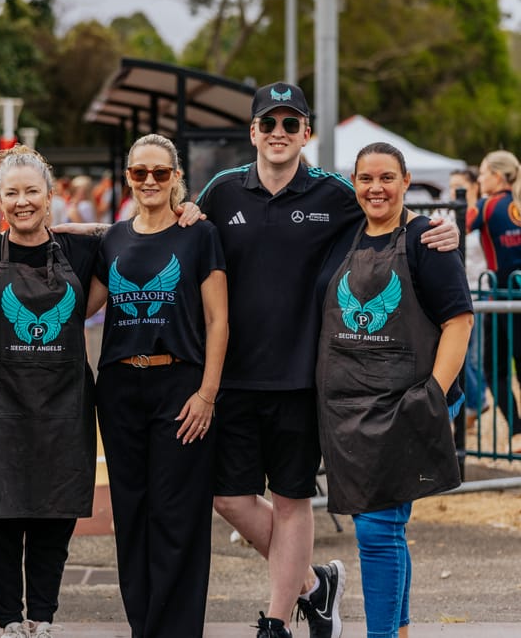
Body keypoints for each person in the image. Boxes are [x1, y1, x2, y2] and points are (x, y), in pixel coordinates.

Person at [195, 81, 460, 638]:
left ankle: (276, 619)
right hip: (236, 379)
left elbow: (389, 212)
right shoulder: (220, 192)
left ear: (306, 134)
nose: (279, 133)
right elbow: (164, 233)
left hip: (304, 383)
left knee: (297, 503)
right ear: (253, 132)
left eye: (291, 124)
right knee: (230, 499)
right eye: (269, 123)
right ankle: (315, 588)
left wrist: (445, 227)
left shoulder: (335, 193)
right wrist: (70, 232)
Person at [317, 142, 471, 638]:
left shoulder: (427, 238)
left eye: (387, 178)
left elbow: (459, 320)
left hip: (405, 403)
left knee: (376, 530)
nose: (375, 188)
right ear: (353, 183)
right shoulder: (344, 235)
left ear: (406, 182)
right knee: (387, 528)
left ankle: (382, 635)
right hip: (349, 408)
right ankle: (399, 632)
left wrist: (432, 396)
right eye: (366, 179)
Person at [85, 133, 228, 638]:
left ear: (175, 178)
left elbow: (218, 320)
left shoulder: (199, 234)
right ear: (127, 178)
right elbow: (84, 308)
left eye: (160, 173)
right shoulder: (113, 239)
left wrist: (207, 393)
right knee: (132, 514)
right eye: (140, 172)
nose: (149, 181)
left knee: (178, 516)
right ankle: (143, 627)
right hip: (121, 388)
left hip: (181, 386)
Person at [0, 146, 99, 638]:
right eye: (12, 193)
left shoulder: (82, 253)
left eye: (32, 191)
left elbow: (138, 237)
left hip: (64, 409)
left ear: (51, 195)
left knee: (52, 519)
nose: (22, 201)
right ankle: (8, 620)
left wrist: (81, 228)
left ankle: (43, 618)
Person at [466, 150, 521, 453]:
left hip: (501, 294)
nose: (481, 178)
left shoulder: (487, 205)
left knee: (495, 369)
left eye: (484, 172)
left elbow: (461, 223)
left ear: (498, 177)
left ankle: (517, 430)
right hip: (513, 291)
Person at [450, 167, 486, 428]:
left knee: (474, 357)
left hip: (481, 291)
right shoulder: (453, 215)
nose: (454, 190)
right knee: (464, 354)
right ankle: (473, 404)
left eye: (460, 185)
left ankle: (475, 402)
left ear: (473, 186)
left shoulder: (481, 215)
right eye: (452, 185)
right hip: (463, 291)